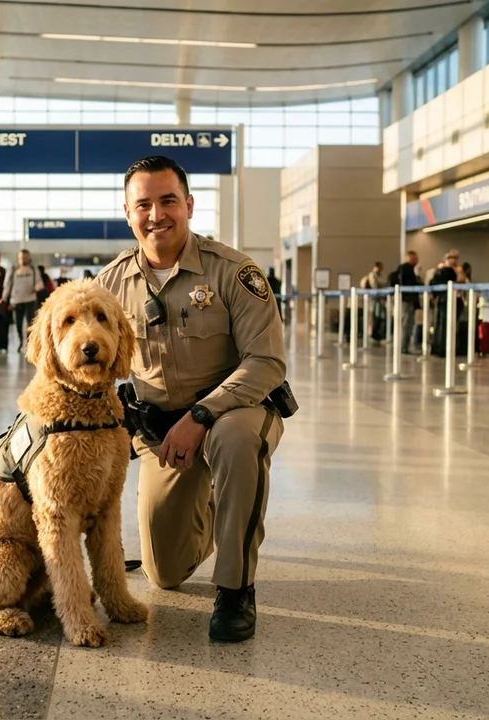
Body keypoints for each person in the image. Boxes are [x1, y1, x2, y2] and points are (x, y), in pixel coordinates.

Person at [96, 155, 288, 643]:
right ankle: (217, 511)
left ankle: (236, 587)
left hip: (235, 413)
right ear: (127, 212)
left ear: (189, 205)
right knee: (165, 573)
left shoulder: (234, 272)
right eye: (144, 205)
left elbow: (267, 362)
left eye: (168, 201)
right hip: (162, 433)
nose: (156, 215)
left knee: (236, 442)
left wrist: (202, 415)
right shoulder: (110, 285)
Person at [1, 249, 40, 351]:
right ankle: (19, 341)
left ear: (29, 258)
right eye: (21, 257)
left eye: (25, 257)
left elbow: (39, 283)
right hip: (16, 301)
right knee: (18, 323)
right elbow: (7, 284)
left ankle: (29, 342)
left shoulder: (33, 270)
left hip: (30, 300)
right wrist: (4, 297)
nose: (23, 259)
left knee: (30, 323)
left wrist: (38, 289)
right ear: (18, 258)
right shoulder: (14, 270)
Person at [390, 251, 422, 353]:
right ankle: (403, 347)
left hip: (402, 300)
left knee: (404, 324)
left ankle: (402, 346)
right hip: (407, 300)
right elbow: (414, 284)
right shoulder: (409, 269)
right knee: (407, 324)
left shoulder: (401, 269)